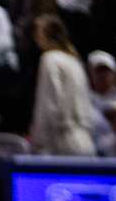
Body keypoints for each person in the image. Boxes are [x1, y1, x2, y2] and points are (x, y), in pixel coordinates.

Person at [28, 16, 98, 155]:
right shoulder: (74, 60)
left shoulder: (49, 59)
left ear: (45, 34)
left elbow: (49, 105)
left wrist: (38, 141)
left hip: (62, 142)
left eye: (37, 33)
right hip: (85, 141)